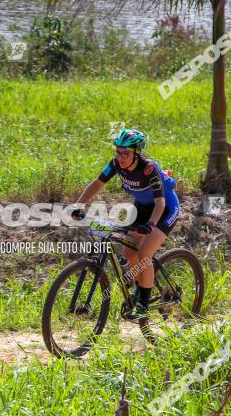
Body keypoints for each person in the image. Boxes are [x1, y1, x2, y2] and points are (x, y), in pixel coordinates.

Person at [70, 129, 180, 320]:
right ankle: (140, 290)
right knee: (129, 253)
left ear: (137, 153)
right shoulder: (115, 165)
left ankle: (143, 305)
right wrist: (78, 205)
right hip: (142, 208)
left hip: (164, 209)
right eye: (118, 152)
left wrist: (151, 225)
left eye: (126, 153)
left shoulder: (148, 168)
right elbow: (97, 184)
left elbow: (160, 203)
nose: (120, 157)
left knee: (145, 253)